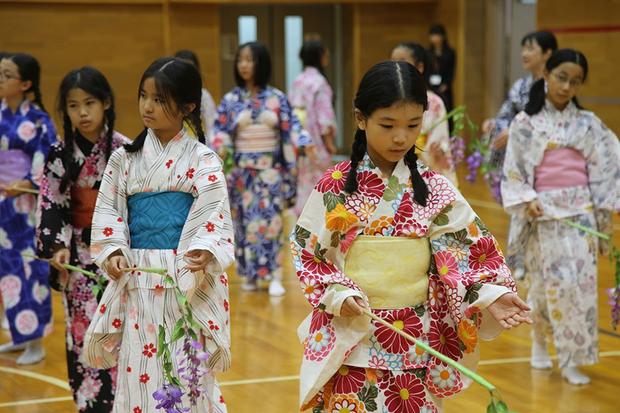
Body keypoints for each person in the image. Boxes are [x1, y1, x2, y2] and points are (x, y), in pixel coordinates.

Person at [291, 61, 530, 412]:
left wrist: (490, 293)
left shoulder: (434, 188)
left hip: (415, 336)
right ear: (361, 119)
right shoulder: (336, 186)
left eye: (413, 125)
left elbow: (466, 251)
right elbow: (308, 252)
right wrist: (338, 293)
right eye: (388, 125)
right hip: (356, 332)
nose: (401, 137)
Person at [83, 57, 233, 412]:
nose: (147, 106)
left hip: (185, 277)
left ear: (188, 107)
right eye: (143, 96)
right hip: (138, 275)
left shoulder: (203, 159)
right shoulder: (124, 159)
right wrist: (114, 250)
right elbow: (109, 212)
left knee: (186, 370)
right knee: (139, 367)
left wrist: (205, 249)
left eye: (159, 99)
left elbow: (214, 215)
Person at [502, 49, 620, 385]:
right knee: (543, 286)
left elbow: (608, 164)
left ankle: (571, 358)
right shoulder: (525, 123)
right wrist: (527, 198)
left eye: (576, 82)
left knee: (579, 288)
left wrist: (605, 206)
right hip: (542, 215)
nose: (567, 87)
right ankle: (539, 343)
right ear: (547, 75)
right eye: (561, 78)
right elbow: (514, 170)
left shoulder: (588, 124)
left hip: (580, 216)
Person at [37, 66, 129, 411]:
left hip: (118, 253)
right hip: (77, 255)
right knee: (83, 329)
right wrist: (57, 246)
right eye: (73, 106)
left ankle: (125, 401)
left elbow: (133, 206)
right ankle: (90, 403)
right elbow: (51, 202)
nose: (83, 113)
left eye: (89, 103)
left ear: (106, 103)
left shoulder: (125, 150)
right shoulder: (59, 153)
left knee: (120, 329)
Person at [212, 41, 310, 296]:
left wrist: (287, 131)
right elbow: (218, 134)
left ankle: (275, 274)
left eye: (250, 60)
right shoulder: (231, 100)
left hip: (269, 173)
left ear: (262, 63)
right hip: (241, 173)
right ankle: (250, 275)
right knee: (244, 224)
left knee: (271, 223)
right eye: (241, 60)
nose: (244, 65)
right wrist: (235, 126)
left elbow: (293, 130)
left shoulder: (277, 98)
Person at [0, 53, 56, 365]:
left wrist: (25, 183)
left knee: (30, 270)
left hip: (25, 207)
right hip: (1, 205)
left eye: (6, 75)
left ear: (25, 84)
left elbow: (47, 162)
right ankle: (19, 336)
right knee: (7, 272)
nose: (0, 79)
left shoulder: (38, 120)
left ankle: (36, 343)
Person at [391, 41, 457, 185]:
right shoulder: (387, 100)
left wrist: (425, 150)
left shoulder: (434, 102)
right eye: (392, 62)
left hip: (425, 170)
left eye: (402, 61)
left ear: (420, 67)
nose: (396, 67)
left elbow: (439, 141)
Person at [289, 39, 338, 216]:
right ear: (320, 57)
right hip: (317, 142)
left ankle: (302, 221)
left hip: (299, 140)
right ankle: (316, 222)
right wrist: (329, 142)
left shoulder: (298, 81)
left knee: (303, 183)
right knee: (320, 184)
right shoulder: (319, 83)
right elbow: (324, 117)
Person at [174, 49, 218, 141]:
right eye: (182, 69)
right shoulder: (168, 96)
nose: (186, 74)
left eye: (190, 69)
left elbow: (212, 126)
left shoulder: (204, 96)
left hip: (199, 144)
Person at [427, 24, 456, 113]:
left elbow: (451, 70)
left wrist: (446, 84)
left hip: (445, 87)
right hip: (430, 86)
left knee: (446, 108)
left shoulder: (450, 52)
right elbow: (427, 70)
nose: (435, 38)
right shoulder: (427, 52)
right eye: (433, 35)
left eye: (437, 35)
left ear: (443, 36)